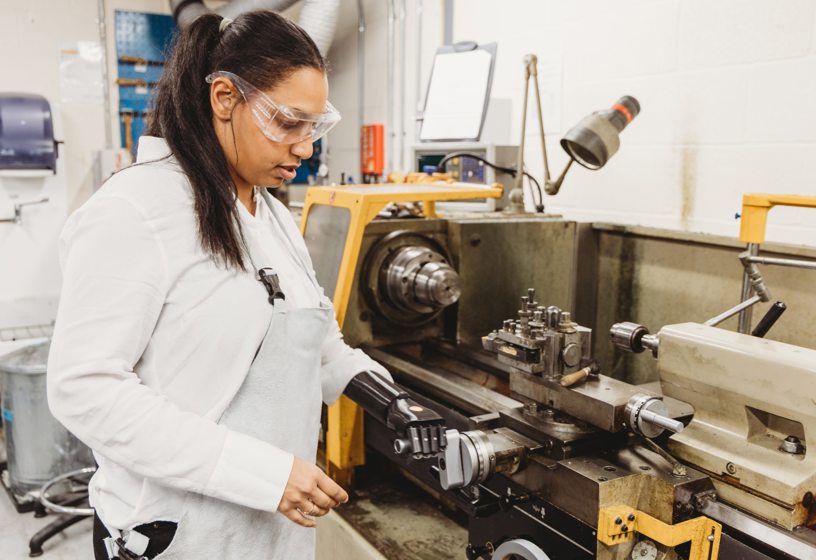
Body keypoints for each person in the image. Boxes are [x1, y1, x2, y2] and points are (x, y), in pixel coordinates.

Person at [47, 11, 444, 560]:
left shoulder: (271, 216)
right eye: (288, 123)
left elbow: (317, 338)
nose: (305, 148)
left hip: (270, 532)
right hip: (178, 535)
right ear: (225, 97)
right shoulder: (135, 211)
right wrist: (264, 473)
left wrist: (389, 398)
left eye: (314, 127)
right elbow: (84, 388)